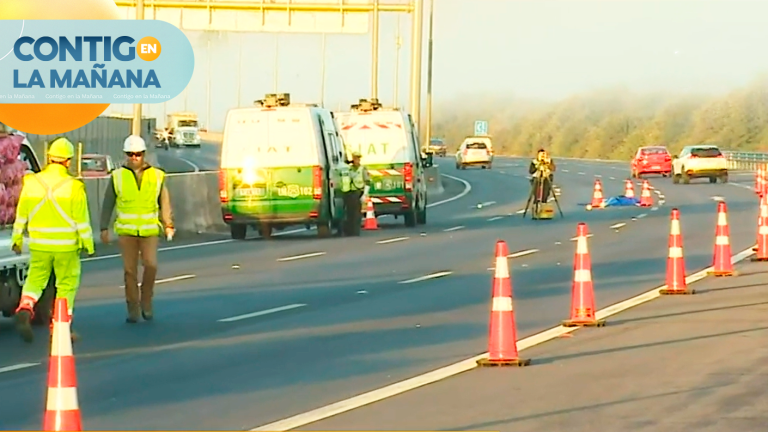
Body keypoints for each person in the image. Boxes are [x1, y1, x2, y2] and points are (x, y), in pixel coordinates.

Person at [11, 137, 95, 343]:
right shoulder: (74, 187)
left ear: (49, 158)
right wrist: (88, 245)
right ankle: (60, 328)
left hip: (39, 244)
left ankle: (26, 306)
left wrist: (17, 238)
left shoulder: (32, 182)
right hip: (66, 247)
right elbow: (82, 220)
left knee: (35, 280)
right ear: (68, 161)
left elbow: (21, 213)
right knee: (66, 285)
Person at [100, 135, 174, 323]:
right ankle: (133, 308)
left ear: (143, 154)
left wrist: (168, 223)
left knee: (151, 265)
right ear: (126, 155)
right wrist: (103, 227)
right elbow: (108, 202)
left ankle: (146, 302)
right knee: (129, 271)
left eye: (138, 154)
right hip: (127, 232)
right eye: (131, 154)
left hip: (149, 231)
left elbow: (164, 201)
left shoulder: (157, 175)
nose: (135, 158)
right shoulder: (117, 176)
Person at [341, 151, 371, 236]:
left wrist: (365, 195)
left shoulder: (362, 169)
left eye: (358, 158)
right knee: (349, 213)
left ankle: (355, 231)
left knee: (356, 214)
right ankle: (349, 231)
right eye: (355, 158)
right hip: (349, 193)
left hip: (358, 193)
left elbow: (367, 182)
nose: (356, 160)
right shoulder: (348, 169)